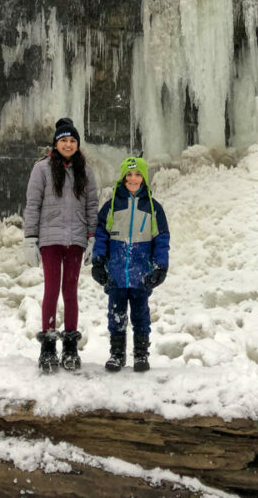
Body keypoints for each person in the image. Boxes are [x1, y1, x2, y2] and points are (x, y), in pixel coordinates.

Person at [23, 117, 98, 373]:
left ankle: (70, 346)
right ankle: (47, 347)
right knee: (51, 290)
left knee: (71, 293)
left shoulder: (85, 171)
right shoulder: (42, 169)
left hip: (76, 240)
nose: (68, 144)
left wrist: (92, 237)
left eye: (73, 140)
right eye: (64, 140)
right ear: (56, 144)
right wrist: (30, 238)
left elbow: (91, 206)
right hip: (50, 240)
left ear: (77, 144)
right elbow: (33, 205)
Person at [91, 155, 169, 373]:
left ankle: (141, 354)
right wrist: (98, 261)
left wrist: (160, 266)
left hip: (141, 272)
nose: (133, 179)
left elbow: (162, 240)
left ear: (144, 178)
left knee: (141, 315)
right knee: (116, 315)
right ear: (123, 178)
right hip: (116, 272)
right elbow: (101, 235)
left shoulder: (154, 208)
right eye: (129, 175)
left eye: (138, 175)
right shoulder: (111, 206)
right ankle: (117, 354)